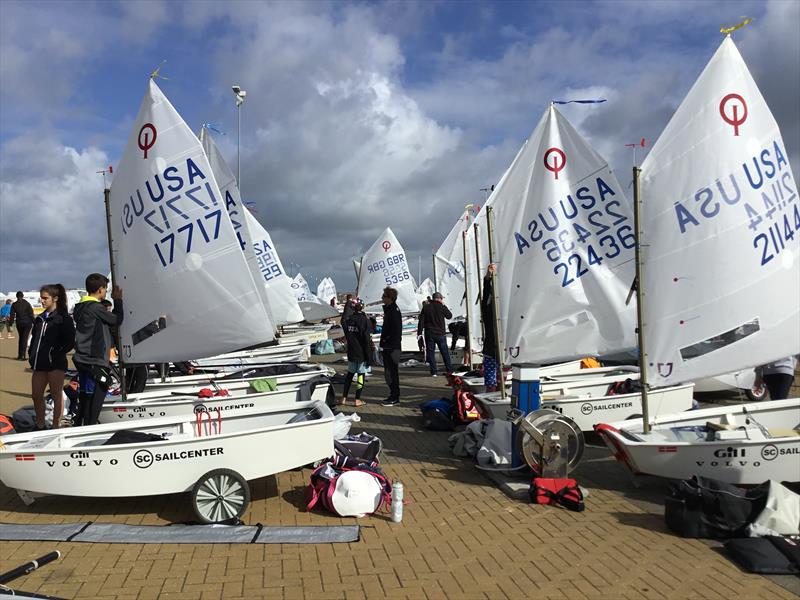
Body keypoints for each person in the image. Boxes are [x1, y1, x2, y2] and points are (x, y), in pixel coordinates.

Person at [72, 273, 123, 426]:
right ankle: (89, 427)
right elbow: (116, 320)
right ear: (100, 289)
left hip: (84, 358)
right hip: (92, 359)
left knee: (86, 395)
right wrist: (118, 300)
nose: (106, 292)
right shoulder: (94, 307)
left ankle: (81, 426)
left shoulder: (80, 306)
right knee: (96, 395)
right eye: (106, 289)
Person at [28, 284, 75, 429]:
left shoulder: (63, 318)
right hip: (39, 363)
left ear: (55, 298)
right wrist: (31, 354)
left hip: (56, 364)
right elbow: (36, 337)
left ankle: (56, 425)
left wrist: (56, 351)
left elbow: (70, 341)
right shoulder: (40, 318)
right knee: (36, 395)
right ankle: (40, 425)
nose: (41, 301)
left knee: (56, 395)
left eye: (45, 298)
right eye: (40, 298)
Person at [340, 300, 372, 407]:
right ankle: (357, 399)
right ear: (362, 308)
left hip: (352, 351)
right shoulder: (365, 321)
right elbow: (366, 340)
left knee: (349, 375)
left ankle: (344, 397)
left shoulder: (348, 320)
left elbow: (343, 322)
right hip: (361, 353)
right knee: (361, 376)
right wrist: (369, 356)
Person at [417, 292, 453, 377]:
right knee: (445, 353)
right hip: (440, 333)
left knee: (431, 353)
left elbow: (421, 321)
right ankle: (449, 370)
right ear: (440, 298)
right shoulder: (441, 306)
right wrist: (444, 306)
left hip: (429, 333)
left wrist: (419, 333)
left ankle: (434, 372)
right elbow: (449, 316)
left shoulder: (426, 307)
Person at [379, 286, 402, 406]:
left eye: (384, 296)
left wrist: (387, 342)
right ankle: (393, 395)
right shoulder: (389, 310)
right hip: (389, 346)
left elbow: (396, 330)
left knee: (391, 373)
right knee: (388, 373)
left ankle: (395, 397)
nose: (382, 298)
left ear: (390, 298)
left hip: (393, 347)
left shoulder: (393, 311)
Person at [481, 264, 499, 392]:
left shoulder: (505, 310)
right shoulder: (487, 309)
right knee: (491, 382)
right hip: (491, 349)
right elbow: (486, 290)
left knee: (500, 380)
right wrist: (489, 275)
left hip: (504, 351)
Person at [10, 291, 34, 360]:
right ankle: (22, 356)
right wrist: (35, 322)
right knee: (24, 339)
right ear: (22, 296)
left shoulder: (14, 304)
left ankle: (20, 355)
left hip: (19, 323)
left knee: (21, 338)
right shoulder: (27, 304)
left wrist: (11, 324)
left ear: (16, 296)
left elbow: (12, 315)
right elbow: (31, 314)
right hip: (27, 323)